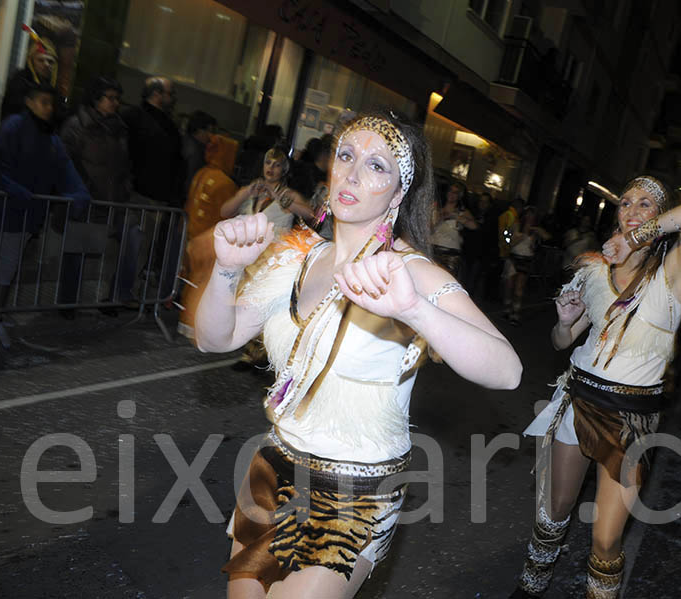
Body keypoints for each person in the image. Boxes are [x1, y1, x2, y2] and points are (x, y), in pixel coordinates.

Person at [194, 109, 522, 599]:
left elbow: (507, 371)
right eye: (346, 155)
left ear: (398, 192)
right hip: (273, 464)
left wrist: (414, 309)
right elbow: (215, 339)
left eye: (377, 165)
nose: (352, 171)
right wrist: (225, 270)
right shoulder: (294, 255)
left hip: (355, 492)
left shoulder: (411, 273)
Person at [512, 176, 681, 598]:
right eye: (625, 204)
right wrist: (565, 323)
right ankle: (532, 586)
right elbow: (562, 342)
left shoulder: (675, 271)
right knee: (553, 514)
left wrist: (637, 238)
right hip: (578, 399)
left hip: (631, 419)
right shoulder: (594, 268)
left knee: (606, 542)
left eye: (645, 205)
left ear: (660, 218)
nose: (631, 211)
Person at [0, 83, 90, 343]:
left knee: (10, 262)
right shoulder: (14, 127)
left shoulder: (48, 136)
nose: (48, 108)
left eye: (50, 103)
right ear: (29, 102)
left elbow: (64, 167)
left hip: (27, 211)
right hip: (8, 209)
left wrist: (78, 191)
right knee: (7, 262)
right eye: (43, 102)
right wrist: (16, 191)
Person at [219, 143, 315, 369]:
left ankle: (264, 355)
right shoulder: (253, 190)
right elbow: (224, 211)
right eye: (268, 163)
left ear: (285, 169)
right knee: (244, 301)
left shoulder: (288, 194)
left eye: (277, 164)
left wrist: (279, 197)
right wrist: (245, 193)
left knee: (265, 305)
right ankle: (250, 352)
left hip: (275, 257)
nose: (271, 168)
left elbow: (311, 215)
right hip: (249, 256)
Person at [60, 76, 140, 308]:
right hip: (87, 200)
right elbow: (66, 161)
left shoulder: (119, 129)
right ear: (96, 99)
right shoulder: (77, 126)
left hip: (114, 200)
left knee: (132, 238)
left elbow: (124, 165)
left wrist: (125, 190)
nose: (115, 103)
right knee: (77, 253)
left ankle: (115, 296)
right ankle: (68, 304)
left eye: (118, 99)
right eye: (111, 98)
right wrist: (80, 189)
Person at [120, 77, 185, 299]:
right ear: (157, 94)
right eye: (170, 94)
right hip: (140, 194)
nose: (173, 98)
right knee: (132, 247)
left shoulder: (167, 125)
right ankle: (120, 293)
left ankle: (127, 292)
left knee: (143, 249)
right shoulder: (134, 118)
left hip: (157, 197)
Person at [177, 134, 239, 340]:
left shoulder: (202, 173)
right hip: (210, 240)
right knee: (202, 284)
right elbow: (225, 214)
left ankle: (185, 320)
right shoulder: (225, 183)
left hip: (192, 234)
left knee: (191, 280)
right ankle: (192, 323)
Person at [503, 205, 550, 325]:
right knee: (509, 285)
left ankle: (515, 313)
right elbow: (509, 242)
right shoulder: (516, 226)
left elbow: (547, 237)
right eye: (528, 214)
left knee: (519, 288)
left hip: (526, 260)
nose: (530, 218)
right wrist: (522, 235)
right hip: (513, 258)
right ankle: (508, 307)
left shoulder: (535, 230)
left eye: (532, 215)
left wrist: (537, 231)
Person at [0, 30, 60, 123]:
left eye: (50, 61)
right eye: (41, 60)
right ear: (31, 62)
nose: (46, 64)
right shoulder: (19, 82)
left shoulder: (53, 88)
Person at [429, 181, 476, 277]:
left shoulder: (462, 212)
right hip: (433, 249)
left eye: (456, 193)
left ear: (460, 196)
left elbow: (474, 226)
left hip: (451, 254)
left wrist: (457, 217)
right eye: (450, 191)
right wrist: (442, 217)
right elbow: (428, 228)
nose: (452, 195)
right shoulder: (436, 208)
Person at [182, 110, 217, 195]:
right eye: (210, 131)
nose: (211, 136)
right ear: (200, 131)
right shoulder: (194, 152)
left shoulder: (185, 141)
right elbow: (190, 183)